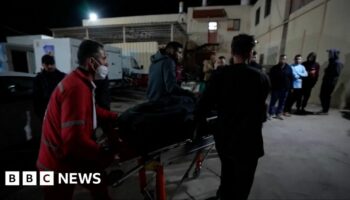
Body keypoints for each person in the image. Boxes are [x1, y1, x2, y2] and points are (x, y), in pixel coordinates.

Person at [36, 40, 118, 200]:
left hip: (70, 157)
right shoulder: (76, 88)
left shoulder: (82, 82)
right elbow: (74, 141)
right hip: (57, 164)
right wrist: (104, 152)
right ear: (91, 62)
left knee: (99, 185)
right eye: (103, 58)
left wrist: (116, 117)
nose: (107, 63)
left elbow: (92, 111)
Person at [194, 34, 270, 200]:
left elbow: (203, 106)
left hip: (225, 137)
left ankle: (224, 195)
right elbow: (262, 113)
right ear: (251, 53)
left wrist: (203, 127)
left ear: (231, 51)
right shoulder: (261, 77)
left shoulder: (220, 75)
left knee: (227, 172)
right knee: (244, 180)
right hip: (250, 139)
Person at [33, 55, 65, 121]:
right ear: (43, 64)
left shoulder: (62, 76)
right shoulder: (39, 79)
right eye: (47, 64)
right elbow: (36, 98)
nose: (50, 66)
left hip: (60, 110)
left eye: (51, 63)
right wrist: (40, 114)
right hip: (46, 111)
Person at [268, 54, 294, 120]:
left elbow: (291, 78)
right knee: (273, 102)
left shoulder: (289, 68)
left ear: (286, 60)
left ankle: (278, 114)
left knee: (282, 103)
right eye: (281, 58)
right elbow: (270, 78)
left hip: (285, 89)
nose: (282, 60)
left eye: (284, 59)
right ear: (279, 59)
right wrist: (270, 88)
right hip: (276, 88)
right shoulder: (274, 68)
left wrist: (291, 87)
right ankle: (270, 114)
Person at [318, 49, 344, 114]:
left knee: (325, 96)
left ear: (334, 54)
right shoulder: (331, 61)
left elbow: (336, 73)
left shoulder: (337, 63)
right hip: (326, 81)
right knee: (323, 95)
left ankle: (325, 110)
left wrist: (327, 71)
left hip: (330, 82)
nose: (329, 55)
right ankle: (324, 109)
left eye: (330, 53)